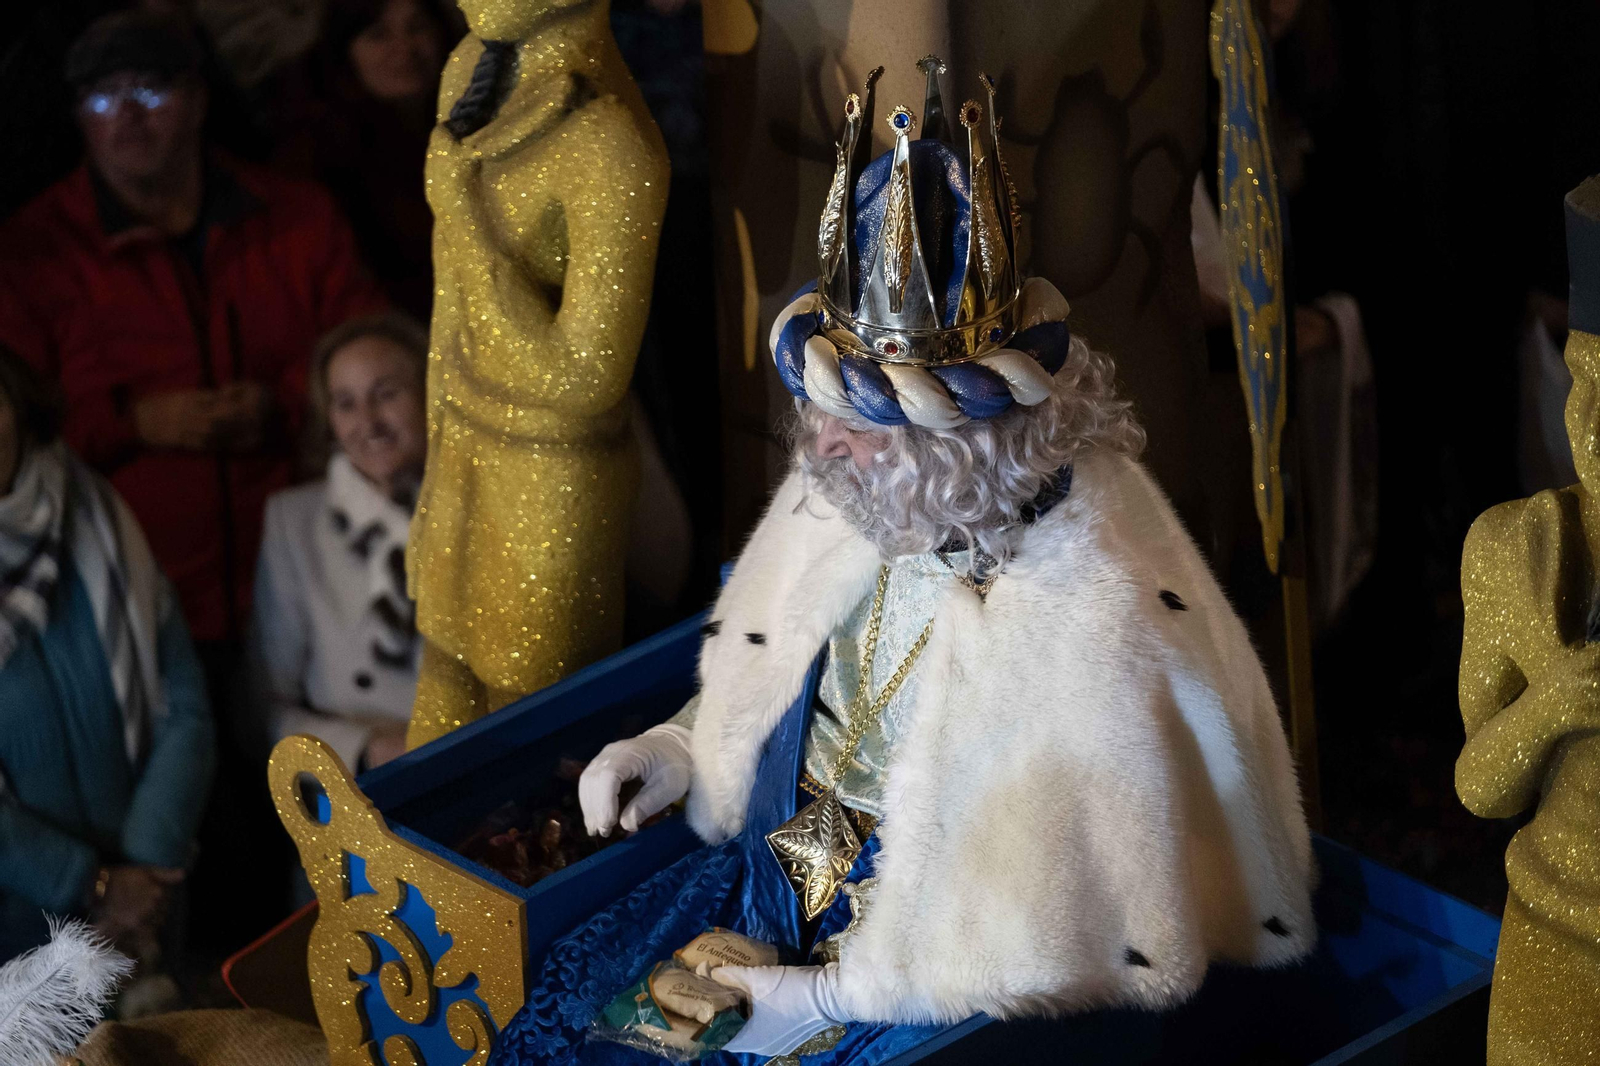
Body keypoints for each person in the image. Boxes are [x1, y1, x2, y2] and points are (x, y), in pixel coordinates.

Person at [486, 70, 1314, 1065]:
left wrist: (830, 991)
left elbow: (1077, 917)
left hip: (950, 974)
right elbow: (793, 679)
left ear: (965, 444)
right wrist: (681, 745)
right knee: (569, 1020)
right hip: (793, 865)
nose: (825, 451)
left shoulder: (1095, 612)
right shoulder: (869, 505)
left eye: (862, 428)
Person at [0, 10, 388, 666]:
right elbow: (14, 430)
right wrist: (135, 423)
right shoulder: (34, 256)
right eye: (102, 97)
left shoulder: (296, 218)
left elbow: (378, 352)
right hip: (136, 607)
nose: (127, 115)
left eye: (150, 92)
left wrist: (283, 403)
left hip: (322, 582)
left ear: (199, 101)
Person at [0, 346, 214, 967]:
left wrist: (144, 870)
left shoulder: (98, 513)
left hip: (152, 906)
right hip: (21, 941)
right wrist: (89, 885)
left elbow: (187, 703)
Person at [249, 314, 428, 774]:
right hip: (362, 793)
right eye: (345, 403)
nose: (367, 422)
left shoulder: (487, 505)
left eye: (386, 394)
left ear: (433, 390)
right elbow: (264, 706)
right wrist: (366, 750)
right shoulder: (293, 523)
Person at [307, 0, 455, 318]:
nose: (405, 50)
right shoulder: (323, 158)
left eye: (417, 28)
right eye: (378, 35)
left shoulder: (485, 129)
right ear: (345, 52)